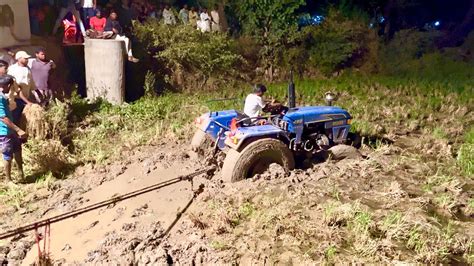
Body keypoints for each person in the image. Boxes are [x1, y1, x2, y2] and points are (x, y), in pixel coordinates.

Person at [0, 60, 27, 182]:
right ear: (8, 86)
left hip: (10, 129)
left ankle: (21, 175)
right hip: (4, 131)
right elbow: (3, 117)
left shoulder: (4, 96)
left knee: (18, 150)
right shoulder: (0, 98)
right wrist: (18, 129)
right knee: (7, 154)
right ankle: (8, 180)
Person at [7, 51, 35, 125]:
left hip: (25, 98)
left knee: (22, 120)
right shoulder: (12, 69)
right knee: (14, 118)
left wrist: (36, 92)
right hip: (16, 100)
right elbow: (17, 88)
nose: (27, 60)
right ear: (19, 59)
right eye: (25, 58)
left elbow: (30, 82)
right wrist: (28, 102)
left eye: (27, 58)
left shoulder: (27, 69)